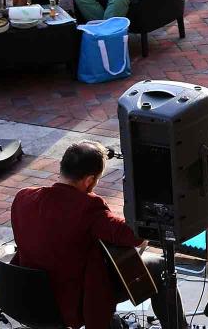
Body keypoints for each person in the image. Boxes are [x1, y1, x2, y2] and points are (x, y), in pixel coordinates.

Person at [11, 141, 187, 329]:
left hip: (30, 298)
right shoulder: (87, 207)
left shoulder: (23, 197)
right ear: (88, 180)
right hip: (72, 304)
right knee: (160, 265)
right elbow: (134, 236)